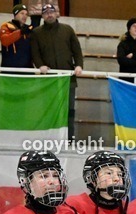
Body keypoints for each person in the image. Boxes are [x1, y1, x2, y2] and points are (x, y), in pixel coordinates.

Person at [30, 4, 82, 140]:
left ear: (56, 13)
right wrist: (40, 65)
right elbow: (35, 54)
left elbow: (77, 51)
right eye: (46, 12)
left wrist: (79, 66)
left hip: (68, 78)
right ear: (42, 16)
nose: (49, 14)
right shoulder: (36, 33)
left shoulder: (67, 30)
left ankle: (69, 139)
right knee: (48, 109)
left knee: (69, 110)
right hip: (48, 80)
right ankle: (48, 138)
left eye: (51, 11)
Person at [0, 4, 34, 69]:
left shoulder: (29, 29)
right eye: (22, 13)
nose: (25, 16)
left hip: (27, 70)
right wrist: (20, 32)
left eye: (26, 14)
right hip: (9, 70)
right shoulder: (6, 26)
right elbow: (5, 40)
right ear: (15, 14)